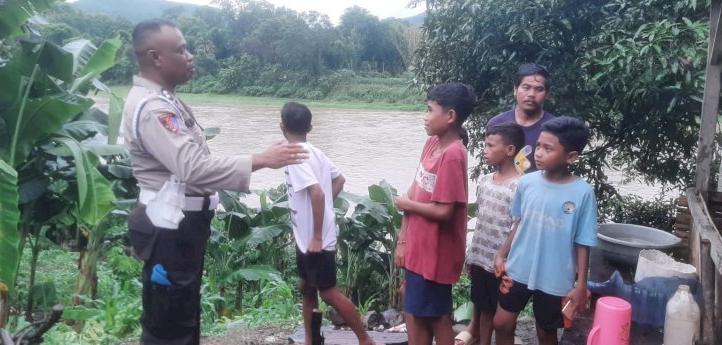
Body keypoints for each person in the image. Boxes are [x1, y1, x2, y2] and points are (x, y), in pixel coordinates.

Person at [121, 19, 307, 345]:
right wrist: (260, 159)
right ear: (155, 57)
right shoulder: (153, 108)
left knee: (181, 316)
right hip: (169, 231)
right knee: (169, 325)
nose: (190, 56)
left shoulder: (165, 99)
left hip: (179, 228)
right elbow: (191, 168)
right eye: (180, 50)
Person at [492, 116, 597, 345]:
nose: (538, 153)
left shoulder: (583, 192)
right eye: (538, 145)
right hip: (518, 267)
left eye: (548, 148)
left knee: (546, 331)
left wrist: (581, 286)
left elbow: (583, 242)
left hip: (555, 276)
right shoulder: (526, 182)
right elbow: (519, 222)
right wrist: (502, 253)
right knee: (501, 323)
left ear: (571, 156)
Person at [279, 102, 376, 345]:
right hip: (307, 237)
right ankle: (310, 340)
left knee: (329, 293)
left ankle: (365, 340)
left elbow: (318, 194)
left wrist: (317, 235)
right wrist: (325, 213)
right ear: (310, 127)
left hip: (315, 239)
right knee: (307, 288)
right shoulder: (314, 151)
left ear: (281, 126)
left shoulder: (297, 156)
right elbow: (339, 179)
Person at [394, 83, 477, 345]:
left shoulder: (453, 155)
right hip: (419, 248)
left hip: (436, 254)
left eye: (430, 110)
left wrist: (407, 205)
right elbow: (414, 191)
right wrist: (403, 240)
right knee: (415, 309)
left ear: (450, 116)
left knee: (436, 316)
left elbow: (444, 211)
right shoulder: (431, 144)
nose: (425, 116)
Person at [454, 122, 525, 345]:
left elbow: (518, 225)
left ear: (510, 150)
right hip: (481, 259)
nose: (484, 150)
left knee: (501, 313)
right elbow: (482, 221)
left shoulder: (519, 186)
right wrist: (471, 255)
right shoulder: (485, 181)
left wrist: (503, 255)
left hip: (502, 264)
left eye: (490, 145)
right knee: (483, 308)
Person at [487, 64, 555, 173]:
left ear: (547, 94)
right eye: (526, 87)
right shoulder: (496, 124)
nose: (531, 94)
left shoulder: (554, 128)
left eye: (539, 89)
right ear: (515, 89)